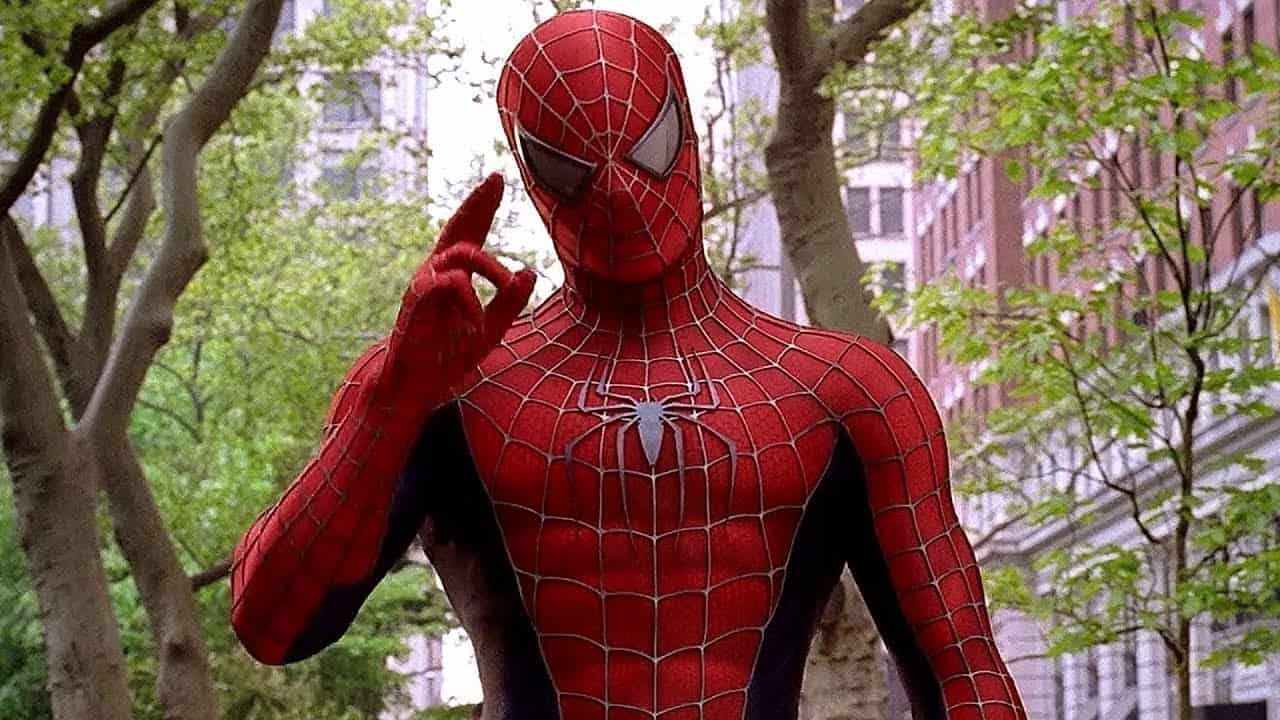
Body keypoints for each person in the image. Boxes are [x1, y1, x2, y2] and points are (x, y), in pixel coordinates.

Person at [230, 10, 1028, 719]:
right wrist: (387, 408)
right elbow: (271, 627)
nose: (618, 193)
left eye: (647, 148)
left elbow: (965, 676)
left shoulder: (848, 391)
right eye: (571, 167)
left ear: (690, 135)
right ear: (530, 175)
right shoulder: (442, 385)